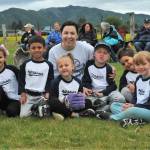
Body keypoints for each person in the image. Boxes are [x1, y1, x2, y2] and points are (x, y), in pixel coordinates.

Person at [96, 51, 150, 124]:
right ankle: (135, 120)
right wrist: (130, 104)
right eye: (137, 65)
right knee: (114, 105)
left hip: (147, 110)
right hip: (137, 108)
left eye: (144, 64)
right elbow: (135, 98)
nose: (140, 67)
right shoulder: (138, 79)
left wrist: (134, 106)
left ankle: (113, 118)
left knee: (132, 110)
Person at [82, 42, 125, 112]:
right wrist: (89, 89)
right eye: (99, 52)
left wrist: (103, 93)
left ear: (108, 56)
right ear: (94, 54)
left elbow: (113, 86)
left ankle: (103, 105)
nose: (102, 55)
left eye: (105, 53)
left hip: (107, 92)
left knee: (120, 99)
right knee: (85, 99)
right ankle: (105, 106)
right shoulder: (89, 65)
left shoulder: (109, 69)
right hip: (94, 93)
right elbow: (85, 81)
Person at [49, 54, 93, 120]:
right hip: (61, 104)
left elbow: (79, 96)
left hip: (73, 106)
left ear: (73, 67)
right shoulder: (55, 82)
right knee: (53, 102)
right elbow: (52, 98)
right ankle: (72, 114)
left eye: (66, 65)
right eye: (60, 66)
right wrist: (65, 100)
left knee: (88, 102)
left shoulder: (78, 82)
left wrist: (80, 98)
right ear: (58, 69)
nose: (63, 68)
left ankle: (62, 114)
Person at [19, 36, 54, 117]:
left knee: (45, 115)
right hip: (29, 96)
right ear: (29, 49)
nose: (36, 50)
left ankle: (38, 109)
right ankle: (35, 110)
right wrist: (23, 94)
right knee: (23, 116)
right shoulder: (25, 64)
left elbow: (50, 80)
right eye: (33, 48)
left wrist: (47, 92)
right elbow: (21, 80)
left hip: (41, 96)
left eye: (39, 47)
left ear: (44, 48)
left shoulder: (48, 65)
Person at [0, 44, 20, 117]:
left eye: (0, 57)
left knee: (12, 112)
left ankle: (7, 110)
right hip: (3, 99)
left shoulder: (12, 69)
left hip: (15, 99)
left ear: (5, 58)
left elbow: (22, 81)